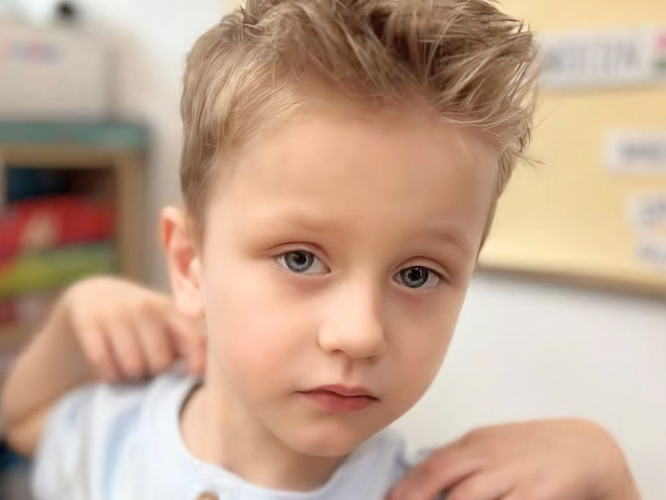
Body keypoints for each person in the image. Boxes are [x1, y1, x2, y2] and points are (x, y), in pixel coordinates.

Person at [1, 0, 641, 499]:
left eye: (418, 274)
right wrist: (74, 315)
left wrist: (612, 484)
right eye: (300, 259)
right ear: (190, 264)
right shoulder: (115, 437)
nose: (360, 335)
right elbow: (21, 419)